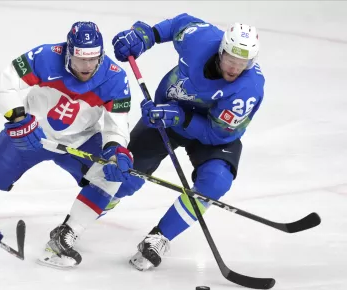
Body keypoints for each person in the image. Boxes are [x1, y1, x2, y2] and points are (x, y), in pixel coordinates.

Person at [0, 21, 143, 268]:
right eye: (81, 59)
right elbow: (0, 87)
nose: (87, 67)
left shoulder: (115, 77)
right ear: (68, 51)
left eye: (93, 59)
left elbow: (117, 126)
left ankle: (63, 237)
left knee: (119, 178)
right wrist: (19, 120)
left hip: (80, 141)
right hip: (32, 133)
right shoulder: (45, 56)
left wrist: (116, 151)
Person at [111, 13, 264, 271]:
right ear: (221, 50)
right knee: (125, 173)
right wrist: (146, 35)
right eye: (232, 59)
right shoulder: (200, 38)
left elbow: (218, 134)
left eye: (243, 63)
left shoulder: (248, 90)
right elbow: (179, 23)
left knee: (216, 181)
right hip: (166, 115)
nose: (235, 68)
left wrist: (181, 117)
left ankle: (159, 237)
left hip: (211, 133)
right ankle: (83, 217)